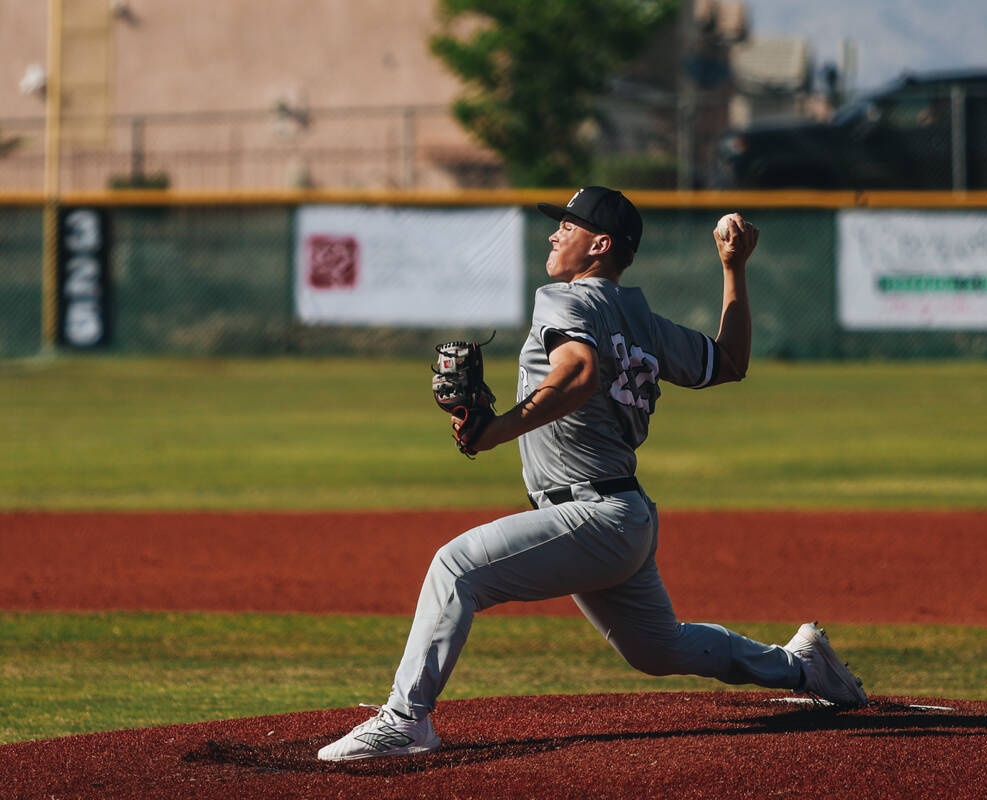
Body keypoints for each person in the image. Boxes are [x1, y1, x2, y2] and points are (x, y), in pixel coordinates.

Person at [317, 186, 867, 762]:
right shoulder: (640, 320)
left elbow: (578, 373)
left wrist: (493, 432)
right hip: (620, 517)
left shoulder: (566, 300)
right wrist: (734, 270)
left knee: (456, 568)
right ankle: (800, 666)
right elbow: (728, 362)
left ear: (599, 245)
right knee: (657, 649)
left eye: (568, 225)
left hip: (593, 515)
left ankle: (406, 721)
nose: (555, 234)